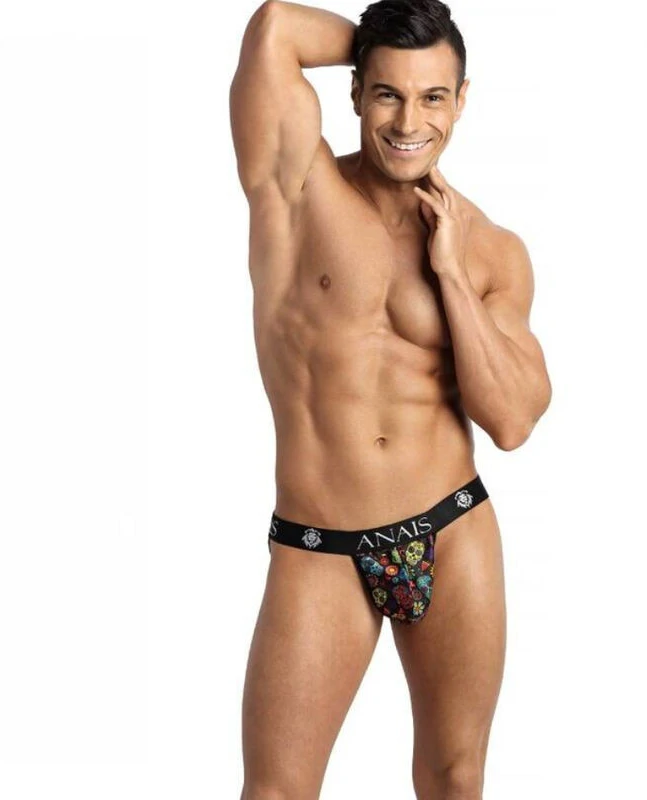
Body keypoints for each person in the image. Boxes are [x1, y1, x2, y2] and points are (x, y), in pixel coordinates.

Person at [229, 0, 551, 796]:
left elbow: (513, 420)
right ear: (355, 92)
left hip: (451, 526)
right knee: (277, 790)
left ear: (462, 100)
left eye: (433, 96)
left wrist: (450, 276)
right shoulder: (296, 187)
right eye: (387, 94)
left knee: (455, 776)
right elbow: (274, 28)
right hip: (321, 545)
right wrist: (381, 43)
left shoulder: (490, 249)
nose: (410, 121)